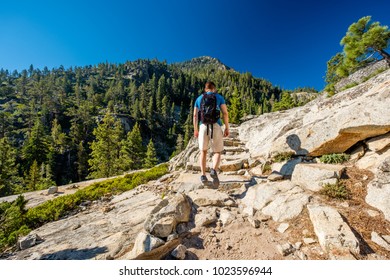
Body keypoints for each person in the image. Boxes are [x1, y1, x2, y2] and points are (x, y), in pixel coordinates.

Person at [193, 81, 229, 187]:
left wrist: (195, 129)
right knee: (217, 151)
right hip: (216, 125)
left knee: (203, 151)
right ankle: (213, 170)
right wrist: (227, 127)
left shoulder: (199, 99)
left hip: (203, 126)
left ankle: (203, 175)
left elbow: (195, 115)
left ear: (205, 89)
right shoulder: (219, 97)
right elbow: (225, 113)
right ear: (214, 89)